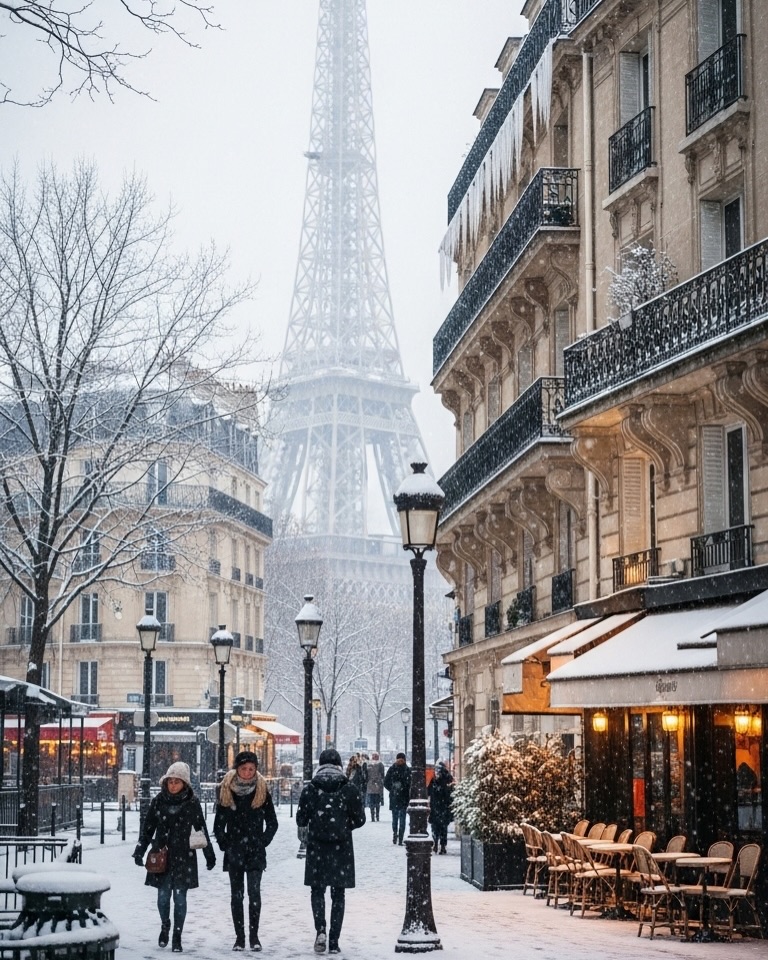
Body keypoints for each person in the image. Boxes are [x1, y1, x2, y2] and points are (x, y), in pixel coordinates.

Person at [132, 761, 215, 953]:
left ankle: (177, 935)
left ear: (184, 783)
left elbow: (200, 830)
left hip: (184, 855)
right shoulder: (158, 801)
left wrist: (209, 855)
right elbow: (148, 828)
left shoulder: (192, 803)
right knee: (162, 898)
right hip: (162, 854)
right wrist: (140, 850)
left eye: (177, 782)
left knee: (180, 898)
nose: (173, 785)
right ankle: (165, 925)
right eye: (170, 781)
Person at [296, 748, 366, 955]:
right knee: (338, 894)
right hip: (341, 847)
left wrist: (315, 824)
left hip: (317, 846)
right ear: (339, 765)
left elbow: (301, 819)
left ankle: (321, 929)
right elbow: (360, 819)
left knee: (317, 891)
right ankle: (334, 941)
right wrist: (345, 826)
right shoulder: (348, 788)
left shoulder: (311, 788)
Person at [214, 750, 278, 952]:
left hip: (255, 851)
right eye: (244, 769)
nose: (248, 772)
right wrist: (225, 844)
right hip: (235, 850)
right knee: (237, 895)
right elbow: (218, 825)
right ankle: (240, 937)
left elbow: (272, 822)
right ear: (237, 769)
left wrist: (263, 841)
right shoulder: (227, 790)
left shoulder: (262, 790)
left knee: (254, 893)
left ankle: (254, 936)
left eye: (251, 769)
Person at [383, 752, 411, 846]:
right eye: (399, 759)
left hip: (400, 797)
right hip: (399, 797)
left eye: (401, 760)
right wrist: (394, 788)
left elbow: (386, 782)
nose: (400, 761)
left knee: (399, 819)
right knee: (398, 818)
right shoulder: (402, 769)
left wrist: (395, 788)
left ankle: (399, 837)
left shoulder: (400, 769)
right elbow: (386, 782)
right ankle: (397, 836)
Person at [427, 761, 454, 854]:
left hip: (439, 807)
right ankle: (440, 845)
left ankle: (438, 844)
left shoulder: (440, 779)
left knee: (437, 827)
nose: (437, 772)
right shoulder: (444, 779)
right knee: (441, 828)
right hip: (441, 807)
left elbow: (428, 791)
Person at [365, 752, 385, 821]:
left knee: (373, 802)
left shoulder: (369, 765)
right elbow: (382, 776)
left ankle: (374, 816)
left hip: (372, 785)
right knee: (376, 802)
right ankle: (375, 816)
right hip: (377, 785)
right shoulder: (380, 765)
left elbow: (366, 776)